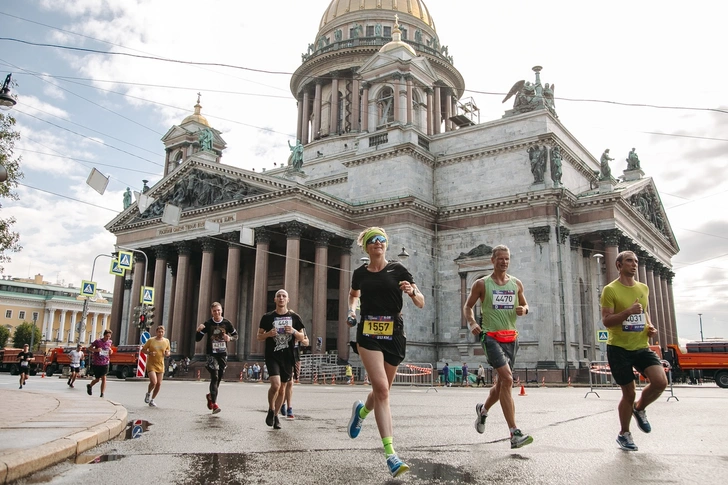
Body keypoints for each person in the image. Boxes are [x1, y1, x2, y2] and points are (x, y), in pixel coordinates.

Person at [345, 227, 425, 478]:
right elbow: (353, 295)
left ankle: (361, 412)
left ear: (386, 245)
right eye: (373, 240)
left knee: (383, 391)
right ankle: (391, 454)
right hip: (368, 332)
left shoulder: (399, 270)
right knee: (380, 388)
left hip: (394, 333)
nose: (378, 243)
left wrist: (412, 292)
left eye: (382, 240)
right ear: (366, 247)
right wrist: (352, 310)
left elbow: (421, 301)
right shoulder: (360, 273)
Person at [464, 244, 533, 449]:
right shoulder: (481, 284)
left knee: (502, 384)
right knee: (508, 379)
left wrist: (524, 310)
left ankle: (483, 410)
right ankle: (514, 432)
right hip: (491, 337)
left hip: (511, 338)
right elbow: (468, 307)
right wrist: (473, 323)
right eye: (500, 258)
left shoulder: (516, 284)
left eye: (507, 259)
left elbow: (525, 305)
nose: (504, 262)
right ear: (493, 260)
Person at [601, 250, 667, 452]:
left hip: (640, 346)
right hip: (618, 348)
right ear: (619, 265)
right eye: (629, 261)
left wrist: (650, 326)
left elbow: (644, 311)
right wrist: (628, 312)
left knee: (660, 382)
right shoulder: (610, 290)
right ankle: (624, 434)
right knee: (628, 393)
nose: (634, 264)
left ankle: (639, 409)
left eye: (636, 261)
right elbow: (606, 321)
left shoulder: (643, 288)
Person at [257, 289, 307, 429]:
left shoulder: (294, 317)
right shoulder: (267, 317)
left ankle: (276, 415)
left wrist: (293, 331)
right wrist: (268, 334)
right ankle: (271, 409)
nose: (281, 298)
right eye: (278, 296)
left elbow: (303, 337)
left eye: (284, 296)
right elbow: (258, 336)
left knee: (283, 389)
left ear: (288, 299)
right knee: (275, 385)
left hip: (288, 356)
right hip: (272, 355)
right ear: (274, 299)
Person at [196, 302, 238, 414]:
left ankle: (210, 396)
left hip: (223, 353)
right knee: (214, 376)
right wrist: (199, 331)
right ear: (211, 312)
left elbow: (236, 336)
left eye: (218, 310)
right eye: (214, 311)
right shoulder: (208, 323)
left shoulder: (227, 323)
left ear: (221, 310)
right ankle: (214, 404)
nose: (217, 312)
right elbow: (197, 339)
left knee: (219, 377)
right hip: (211, 354)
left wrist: (229, 338)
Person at [281, 317, 309, 419]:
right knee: (286, 382)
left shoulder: (298, 329)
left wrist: (298, 336)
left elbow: (306, 342)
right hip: (284, 354)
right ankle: (286, 406)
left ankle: (286, 405)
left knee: (290, 382)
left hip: (295, 356)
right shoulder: (282, 327)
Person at [141, 326, 171, 407]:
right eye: (159, 332)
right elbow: (143, 350)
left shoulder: (166, 341)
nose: (160, 333)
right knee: (154, 382)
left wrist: (167, 353)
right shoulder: (151, 340)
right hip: (151, 364)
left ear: (164, 332)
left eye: (162, 332)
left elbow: (168, 351)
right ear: (156, 332)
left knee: (159, 384)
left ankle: (152, 399)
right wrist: (149, 353)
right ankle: (148, 393)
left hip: (160, 364)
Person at [87, 330, 114, 398]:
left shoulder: (110, 342)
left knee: (104, 377)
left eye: (109, 337)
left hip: (105, 362)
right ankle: (90, 386)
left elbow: (110, 351)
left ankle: (102, 394)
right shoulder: (98, 341)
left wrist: (111, 351)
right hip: (97, 363)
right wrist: (96, 350)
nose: (108, 338)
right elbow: (89, 348)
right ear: (104, 335)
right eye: (107, 336)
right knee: (97, 379)